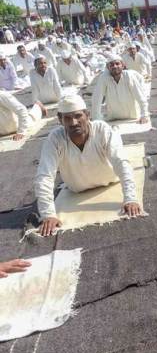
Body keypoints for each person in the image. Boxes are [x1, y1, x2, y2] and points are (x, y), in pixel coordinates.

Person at [35, 94, 143, 236]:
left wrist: (130, 198)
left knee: (123, 157)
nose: (73, 122)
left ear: (87, 115)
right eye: (67, 118)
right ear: (60, 120)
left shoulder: (101, 130)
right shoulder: (55, 139)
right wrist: (48, 214)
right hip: (76, 189)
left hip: (110, 180)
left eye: (78, 116)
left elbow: (120, 162)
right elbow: (44, 176)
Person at [91, 55, 150, 123]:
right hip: (114, 117)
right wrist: (96, 119)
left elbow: (140, 96)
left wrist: (144, 115)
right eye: (112, 65)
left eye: (117, 64)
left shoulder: (128, 76)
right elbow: (97, 98)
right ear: (108, 67)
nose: (115, 66)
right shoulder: (104, 78)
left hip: (132, 116)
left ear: (122, 65)